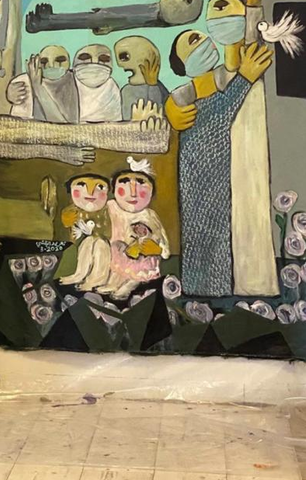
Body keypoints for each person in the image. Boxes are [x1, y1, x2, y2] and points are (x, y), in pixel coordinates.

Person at [168, 31, 272, 297]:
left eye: (203, 38)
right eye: (193, 41)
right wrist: (244, 79)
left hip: (226, 176)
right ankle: (204, 295)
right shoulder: (184, 97)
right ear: (181, 63)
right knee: (204, 236)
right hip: (199, 180)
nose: (205, 43)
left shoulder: (224, 80)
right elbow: (215, 117)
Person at [98, 158, 169, 300]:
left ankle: (132, 283)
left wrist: (157, 250)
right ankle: (112, 282)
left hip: (140, 263)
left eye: (141, 183)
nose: (133, 192)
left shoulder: (150, 216)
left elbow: (165, 250)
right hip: (111, 265)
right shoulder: (109, 208)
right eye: (124, 182)